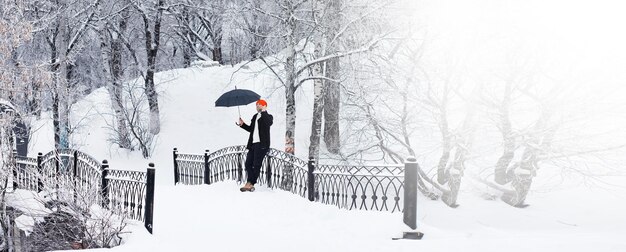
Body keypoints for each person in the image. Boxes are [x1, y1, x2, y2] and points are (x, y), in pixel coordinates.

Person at [236, 99, 273, 192]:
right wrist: (242, 124)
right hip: (253, 144)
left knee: (256, 164)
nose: (257, 106)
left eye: (259, 104)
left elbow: (268, 123)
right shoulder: (255, 116)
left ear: (264, 106)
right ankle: (250, 183)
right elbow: (251, 129)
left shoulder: (268, 116)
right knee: (248, 163)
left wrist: (263, 111)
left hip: (262, 145)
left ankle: (250, 183)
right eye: (256, 105)